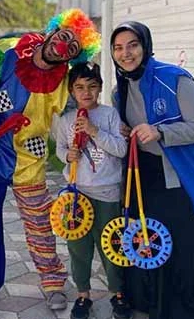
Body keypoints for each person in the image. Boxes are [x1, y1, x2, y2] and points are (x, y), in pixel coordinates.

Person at [0, 9, 101, 310]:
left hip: (30, 157)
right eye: (63, 37)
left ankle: (52, 282)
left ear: (72, 57)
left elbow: (81, 106)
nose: (63, 47)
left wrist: (110, 124)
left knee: (39, 222)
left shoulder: (65, 81)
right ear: (53, 31)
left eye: (72, 48)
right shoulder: (6, 50)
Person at [111, 21, 194, 319]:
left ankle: (184, 308)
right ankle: (151, 300)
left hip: (183, 175)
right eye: (118, 48)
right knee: (150, 236)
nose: (126, 53)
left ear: (146, 46)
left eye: (133, 45)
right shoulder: (120, 90)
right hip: (146, 175)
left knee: (183, 243)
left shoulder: (174, 79)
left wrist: (161, 132)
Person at [51, 62, 133, 319]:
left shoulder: (109, 115)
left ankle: (117, 293)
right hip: (77, 194)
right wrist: (68, 155)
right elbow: (60, 149)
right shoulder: (65, 121)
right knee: (78, 248)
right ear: (72, 91)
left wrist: (94, 131)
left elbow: (121, 150)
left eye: (92, 87)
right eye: (80, 87)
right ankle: (83, 295)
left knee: (112, 244)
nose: (86, 93)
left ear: (99, 88)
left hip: (107, 192)